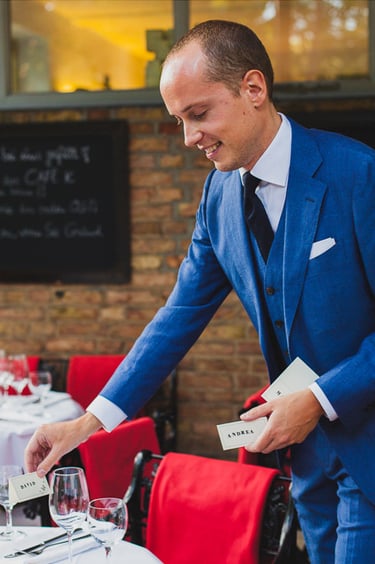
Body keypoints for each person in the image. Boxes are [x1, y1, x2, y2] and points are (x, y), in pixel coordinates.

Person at [25, 20, 375, 563]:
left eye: (199, 114)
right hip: (306, 459)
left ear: (253, 89)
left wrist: (320, 399)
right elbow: (177, 316)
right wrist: (88, 422)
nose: (189, 138)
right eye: (179, 120)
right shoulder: (218, 198)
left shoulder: (360, 175)